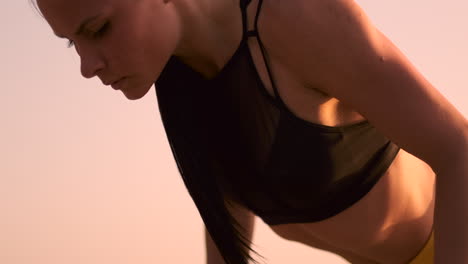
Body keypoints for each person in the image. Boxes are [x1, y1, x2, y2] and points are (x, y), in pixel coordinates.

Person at [32, 0, 467, 263]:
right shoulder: (180, 75)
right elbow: (226, 215)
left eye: (98, 30)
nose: (88, 66)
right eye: (73, 42)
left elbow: (458, 149)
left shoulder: (293, 19)